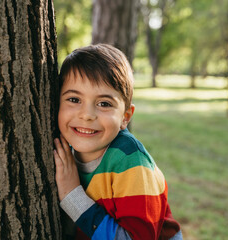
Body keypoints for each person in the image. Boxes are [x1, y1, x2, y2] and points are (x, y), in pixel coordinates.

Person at [53, 44, 183, 240]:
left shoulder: (130, 162)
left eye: (104, 104)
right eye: (74, 99)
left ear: (125, 116)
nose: (87, 115)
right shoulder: (64, 150)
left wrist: (72, 195)